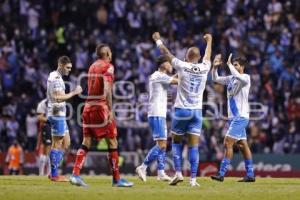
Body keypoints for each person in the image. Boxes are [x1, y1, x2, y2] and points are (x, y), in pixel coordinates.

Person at [152, 32, 212, 186]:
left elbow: (166, 53)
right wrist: (209, 41)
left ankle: (178, 173)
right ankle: (193, 179)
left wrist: (158, 40)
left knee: (177, 143)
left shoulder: (182, 65)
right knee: (194, 146)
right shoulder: (206, 67)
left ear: (187, 56)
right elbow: (207, 56)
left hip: (181, 111)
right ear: (197, 57)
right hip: (197, 112)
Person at [69, 44, 133, 187]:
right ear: (107, 54)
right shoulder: (108, 66)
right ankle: (116, 179)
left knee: (86, 141)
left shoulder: (92, 66)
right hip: (100, 108)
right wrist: (109, 109)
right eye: (110, 52)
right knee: (112, 141)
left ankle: (75, 175)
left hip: (87, 107)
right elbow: (107, 89)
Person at [211, 54, 255, 182]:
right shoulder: (231, 78)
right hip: (234, 118)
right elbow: (216, 78)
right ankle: (250, 174)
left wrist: (230, 64)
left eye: (236, 65)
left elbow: (239, 77)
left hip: (241, 117)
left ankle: (221, 173)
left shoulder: (246, 78)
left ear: (242, 67)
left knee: (227, 142)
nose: (234, 67)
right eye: (233, 64)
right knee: (242, 145)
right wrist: (214, 68)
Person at [136, 55, 178, 182]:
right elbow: (177, 82)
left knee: (162, 144)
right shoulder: (158, 76)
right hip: (156, 113)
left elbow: (172, 79)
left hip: (159, 113)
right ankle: (143, 167)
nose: (171, 66)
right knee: (162, 144)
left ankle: (160, 172)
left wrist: (181, 72)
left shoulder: (159, 76)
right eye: (170, 63)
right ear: (164, 64)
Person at [47, 56, 82, 181]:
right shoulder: (56, 79)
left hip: (60, 114)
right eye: (67, 67)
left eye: (70, 68)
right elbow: (58, 97)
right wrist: (74, 92)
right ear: (61, 65)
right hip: (56, 114)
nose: (69, 70)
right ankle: (54, 174)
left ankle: (54, 169)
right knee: (57, 143)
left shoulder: (55, 76)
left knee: (66, 143)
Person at [36, 98, 51, 176]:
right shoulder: (44, 103)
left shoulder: (58, 101)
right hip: (47, 126)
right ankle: (42, 172)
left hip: (53, 126)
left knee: (51, 149)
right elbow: (39, 117)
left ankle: (48, 172)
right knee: (46, 149)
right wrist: (49, 120)